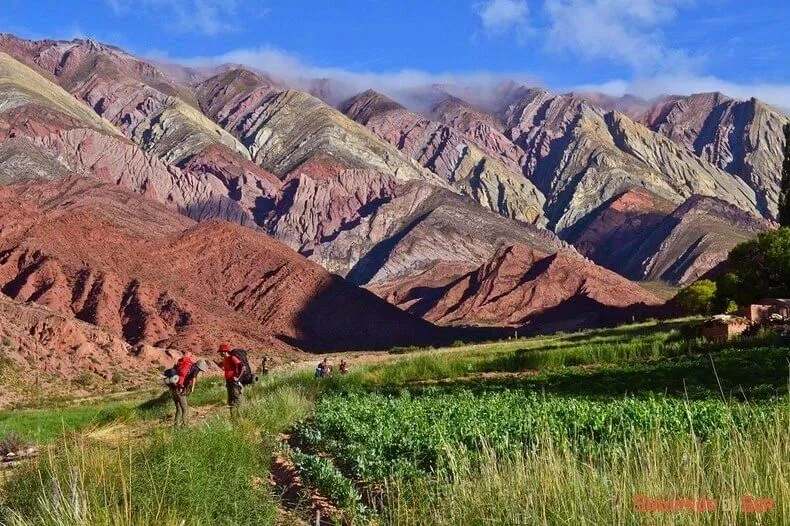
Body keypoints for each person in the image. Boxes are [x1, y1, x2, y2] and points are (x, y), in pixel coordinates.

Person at [168, 353, 208, 429]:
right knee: (185, 409)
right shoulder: (195, 369)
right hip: (180, 390)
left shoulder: (188, 366)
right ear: (200, 367)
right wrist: (192, 388)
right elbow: (193, 378)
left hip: (173, 389)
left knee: (178, 409)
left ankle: (176, 426)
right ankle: (185, 426)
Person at [218, 343, 247, 417]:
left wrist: (238, 378)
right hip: (229, 382)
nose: (220, 353)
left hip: (234, 383)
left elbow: (243, 367)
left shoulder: (232, 357)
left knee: (237, 400)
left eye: (220, 352)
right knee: (230, 401)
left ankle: (240, 416)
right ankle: (233, 417)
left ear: (224, 351)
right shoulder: (225, 359)